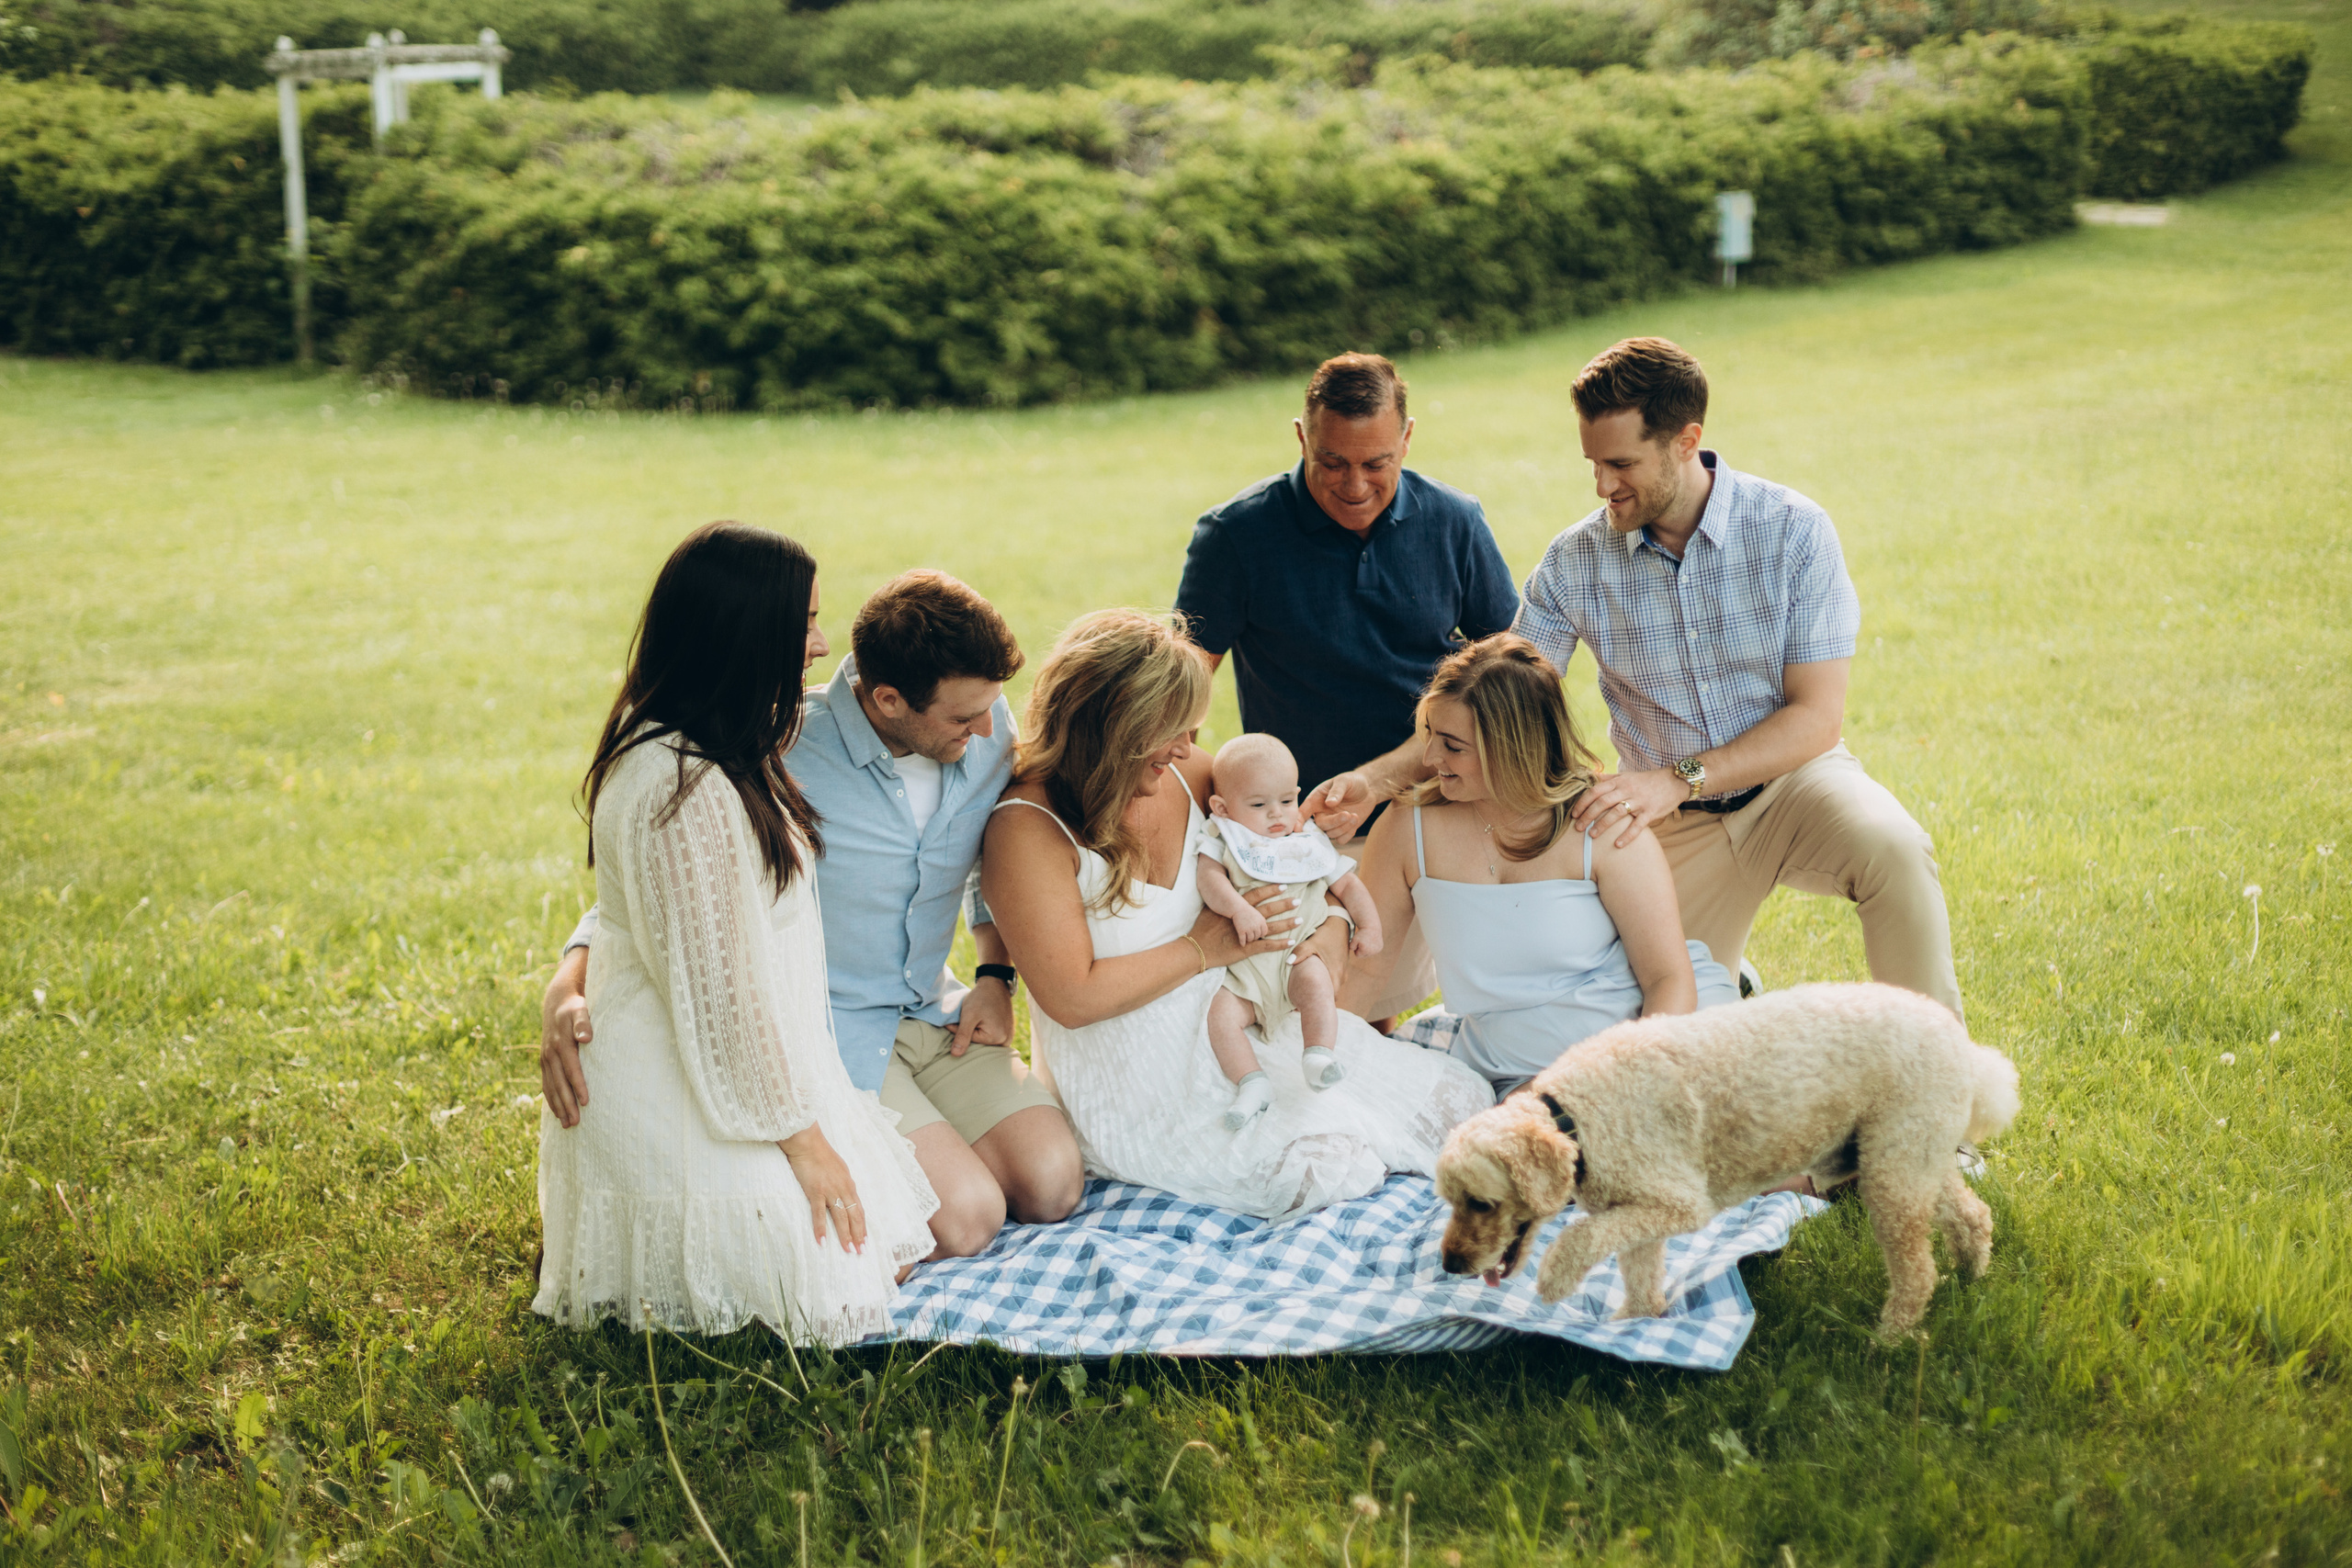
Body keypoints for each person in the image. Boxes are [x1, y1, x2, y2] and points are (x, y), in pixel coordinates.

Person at [541, 570, 1085, 1260]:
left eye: (990, 708)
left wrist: (994, 975)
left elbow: (993, 850)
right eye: (961, 719)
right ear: (888, 700)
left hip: (936, 1013)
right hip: (834, 1034)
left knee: (1052, 1184)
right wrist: (568, 978)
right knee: (968, 1219)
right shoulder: (780, 742)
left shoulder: (985, 719)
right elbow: (660, 884)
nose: (985, 730)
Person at [536, 523, 937, 1342]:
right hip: (688, 1076)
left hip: (748, 1065)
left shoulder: (728, 742)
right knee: (827, 1281)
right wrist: (805, 1144)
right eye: (805, 623)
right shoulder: (678, 787)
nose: (822, 644)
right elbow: (721, 1005)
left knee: (877, 1246)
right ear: (741, 634)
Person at [979, 609, 1492, 1222]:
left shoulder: (1187, 774)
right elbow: (1072, 997)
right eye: (1170, 730)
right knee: (1322, 1170)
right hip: (1136, 1070)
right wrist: (1202, 949)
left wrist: (1331, 927)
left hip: (1246, 1017)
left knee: (1458, 1101)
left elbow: (1296, 857)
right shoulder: (1027, 829)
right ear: (1115, 728)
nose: (1185, 748)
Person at [1514, 337, 1962, 1018]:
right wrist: (1393, 777)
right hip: (1669, 822)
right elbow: (1507, 698)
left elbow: (1817, 719)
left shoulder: (1793, 530)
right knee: (1643, 1025)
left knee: (1894, 851)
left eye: (1621, 464)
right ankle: (1730, 983)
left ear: (1686, 442)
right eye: (1593, 464)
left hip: (1795, 783)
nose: (1602, 485)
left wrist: (1677, 779)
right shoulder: (1574, 560)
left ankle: (1936, 1077)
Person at [1174, 353, 1519, 1022]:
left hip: (1444, 794)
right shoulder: (1235, 536)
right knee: (1337, 1005)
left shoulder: (1455, 520)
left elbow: (1512, 682)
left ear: (1407, 439)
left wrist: (1389, 780)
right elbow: (1180, 691)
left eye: (1376, 463)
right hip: (1304, 823)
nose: (1355, 485)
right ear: (1301, 437)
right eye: (1331, 462)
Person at [1354, 635, 1738, 1094]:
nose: (1430, 758)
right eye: (1430, 734)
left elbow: (1668, 979)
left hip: (1646, 1045)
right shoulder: (1407, 828)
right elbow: (1366, 970)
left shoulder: (1602, 825)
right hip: (1508, 1064)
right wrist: (1309, 1053)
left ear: (1512, 748)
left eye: (1453, 746)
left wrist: (1624, 1091)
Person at [1196, 733, 1383, 1128]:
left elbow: (1348, 885)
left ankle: (1318, 1055)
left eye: (1286, 801)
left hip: (1299, 956)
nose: (1276, 815)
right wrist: (1238, 909)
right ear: (1222, 807)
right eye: (1259, 805)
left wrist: (1368, 924)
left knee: (1316, 984)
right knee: (1220, 1015)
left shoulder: (1305, 840)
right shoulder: (1224, 837)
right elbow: (1209, 879)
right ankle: (1251, 1081)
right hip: (1247, 973)